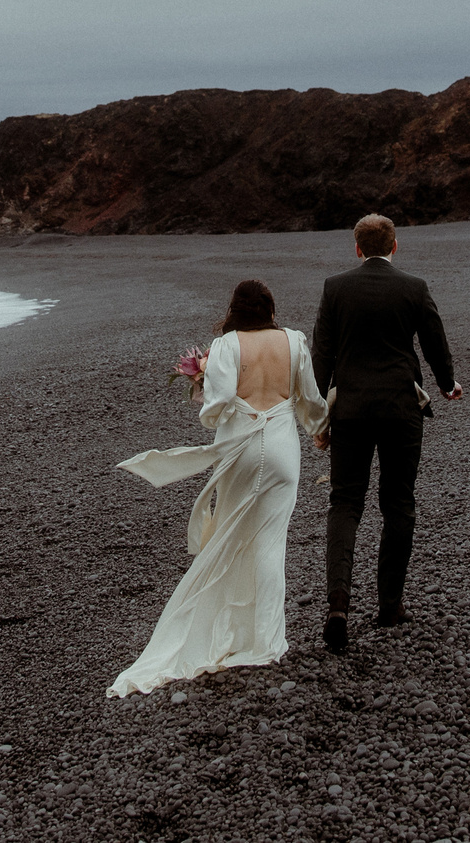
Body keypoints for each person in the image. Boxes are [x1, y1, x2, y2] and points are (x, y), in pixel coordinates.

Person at [108, 278, 328, 697]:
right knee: (270, 543)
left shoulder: (226, 347)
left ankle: (221, 625)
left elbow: (218, 404)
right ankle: (265, 641)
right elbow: (310, 399)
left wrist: (204, 398)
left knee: (228, 535)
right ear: (270, 308)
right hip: (282, 448)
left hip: (240, 449)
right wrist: (320, 430)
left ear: (235, 309)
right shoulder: (294, 341)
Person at [312, 213, 460, 652]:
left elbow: (321, 351)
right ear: (395, 247)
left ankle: (338, 602)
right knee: (398, 500)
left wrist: (318, 409)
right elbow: (435, 340)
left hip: (351, 409)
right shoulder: (413, 287)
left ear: (357, 248)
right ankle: (389, 604)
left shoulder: (335, 287)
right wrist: (447, 384)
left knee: (344, 502)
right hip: (400, 407)